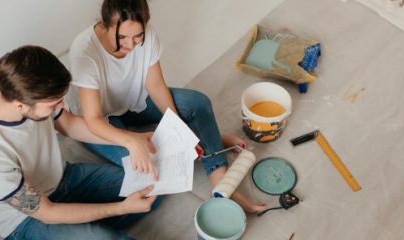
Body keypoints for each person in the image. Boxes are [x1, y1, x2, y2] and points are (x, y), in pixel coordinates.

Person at [65, 0, 266, 213]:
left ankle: (223, 185)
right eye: (122, 37)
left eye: (137, 37)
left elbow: (155, 84)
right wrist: (132, 142)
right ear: (104, 24)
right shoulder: (84, 51)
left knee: (198, 104)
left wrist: (179, 130)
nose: (130, 45)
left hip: (136, 101)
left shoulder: (148, 35)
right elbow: (93, 120)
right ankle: (209, 137)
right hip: (100, 120)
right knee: (150, 166)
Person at [0, 45, 160, 240]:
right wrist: (122, 208)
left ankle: (82, 225)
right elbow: (46, 212)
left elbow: (70, 125)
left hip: (63, 178)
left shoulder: (23, 86)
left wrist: (130, 139)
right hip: (25, 219)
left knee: (151, 188)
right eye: (54, 104)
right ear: (21, 105)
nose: (62, 105)